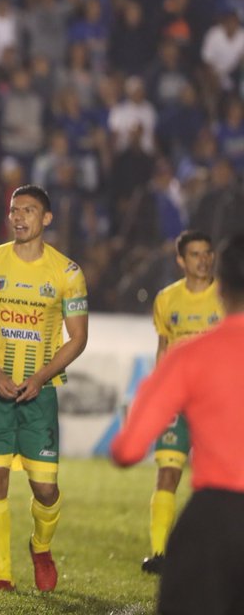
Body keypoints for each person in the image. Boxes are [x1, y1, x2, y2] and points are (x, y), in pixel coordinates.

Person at [0, 184, 89, 592]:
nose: (19, 217)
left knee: (45, 490)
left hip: (39, 393)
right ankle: (2, 576)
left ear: (46, 218)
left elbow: (78, 338)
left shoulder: (67, 273)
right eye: (15, 210)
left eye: (29, 211)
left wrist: (40, 377)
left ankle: (41, 546)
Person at [112, 232, 244, 615]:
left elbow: (128, 449)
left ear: (221, 291)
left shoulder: (191, 356)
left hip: (215, 515)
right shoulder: (169, 304)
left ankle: (160, 551)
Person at [141, 230, 222, 575]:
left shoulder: (230, 295)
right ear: (181, 260)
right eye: (195, 254)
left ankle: (217, 554)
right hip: (179, 401)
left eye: (207, 253)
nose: (203, 260)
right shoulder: (166, 300)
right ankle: (160, 554)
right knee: (168, 474)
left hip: (218, 404)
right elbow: (164, 348)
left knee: (215, 484)